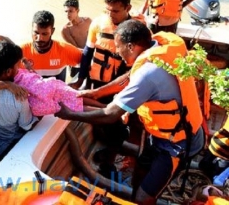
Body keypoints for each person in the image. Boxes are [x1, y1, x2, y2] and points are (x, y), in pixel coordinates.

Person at [55, 19, 204, 205]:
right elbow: (130, 76)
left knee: (144, 197)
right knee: (139, 172)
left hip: (176, 143)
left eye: (118, 47)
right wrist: (96, 92)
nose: (117, 52)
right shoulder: (158, 47)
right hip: (158, 133)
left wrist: (69, 114)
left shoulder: (148, 75)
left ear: (132, 46)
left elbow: (110, 114)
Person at [71, 0, 145, 100]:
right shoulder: (98, 23)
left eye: (115, 11)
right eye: (108, 10)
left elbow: (142, 61)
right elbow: (88, 52)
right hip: (97, 80)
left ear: (128, 8)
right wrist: (80, 80)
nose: (110, 15)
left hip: (122, 83)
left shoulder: (139, 29)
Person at [20, 10, 82, 82]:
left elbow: (89, 64)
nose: (39, 38)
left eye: (44, 34)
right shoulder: (21, 52)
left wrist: (78, 83)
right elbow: (6, 74)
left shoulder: (64, 50)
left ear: (52, 31)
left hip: (57, 93)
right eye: (36, 33)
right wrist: (10, 85)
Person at [61, 0, 92, 78]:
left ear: (77, 11)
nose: (68, 14)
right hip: (76, 58)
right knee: (75, 82)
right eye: (66, 11)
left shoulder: (88, 21)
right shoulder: (66, 30)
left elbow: (94, 39)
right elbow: (75, 48)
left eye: (71, 11)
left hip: (90, 55)